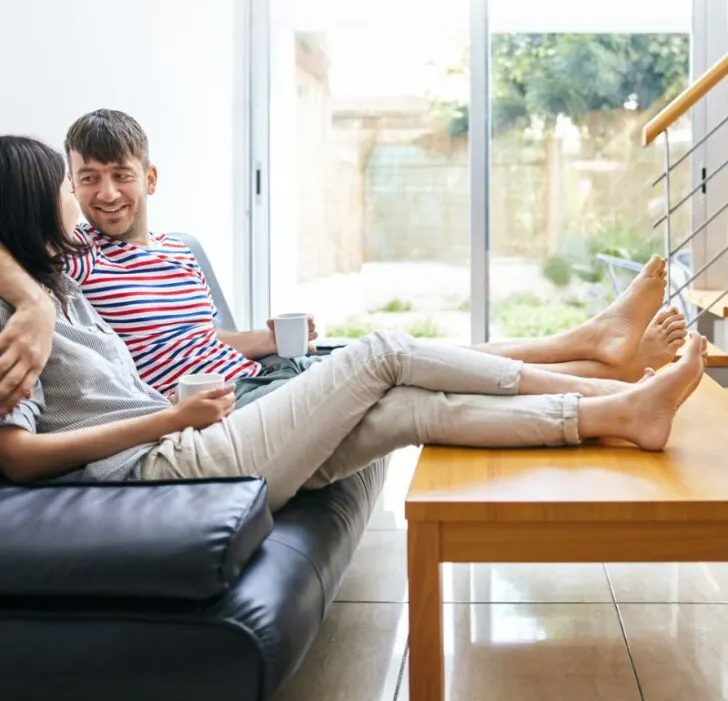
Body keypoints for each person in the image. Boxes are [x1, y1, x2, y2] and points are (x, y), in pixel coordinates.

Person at [0, 136, 707, 511]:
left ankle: (617, 414)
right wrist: (167, 420)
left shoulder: (57, 285)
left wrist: (34, 297)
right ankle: (607, 391)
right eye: (73, 183)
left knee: (406, 410)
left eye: (106, 176)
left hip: (200, 432)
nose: (86, 196)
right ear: (36, 206)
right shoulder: (19, 321)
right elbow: (15, 456)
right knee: (384, 352)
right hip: (169, 460)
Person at [0, 110, 688, 414]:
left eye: (118, 174)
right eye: (86, 178)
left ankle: (600, 354)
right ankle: (599, 360)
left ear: (150, 178)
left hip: (263, 368)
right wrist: (31, 303)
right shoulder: (75, 258)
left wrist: (263, 340)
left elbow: (193, 344)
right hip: (233, 403)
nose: (104, 193)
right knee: (417, 366)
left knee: (428, 353)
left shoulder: (180, 255)